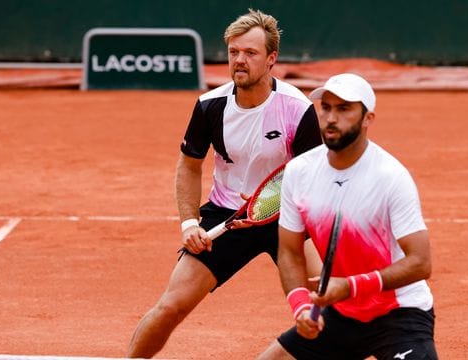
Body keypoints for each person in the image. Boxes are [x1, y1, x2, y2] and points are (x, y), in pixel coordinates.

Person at [126, 9, 322, 358]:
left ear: (271, 59)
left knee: (327, 304)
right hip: (225, 214)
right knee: (172, 305)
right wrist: (189, 223)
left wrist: (283, 202)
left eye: (250, 53)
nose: (240, 61)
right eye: (234, 53)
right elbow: (188, 166)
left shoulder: (297, 108)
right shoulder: (209, 106)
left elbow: (317, 176)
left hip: (288, 215)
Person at [257, 73, 438, 360]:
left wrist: (350, 286)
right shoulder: (299, 171)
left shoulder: (390, 177)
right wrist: (301, 306)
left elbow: (420, 262)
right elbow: (290, 252)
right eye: (326, 107)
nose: (331, 117)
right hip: (340, 314)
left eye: (344, 109)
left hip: (398, 314)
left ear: (368, 119)